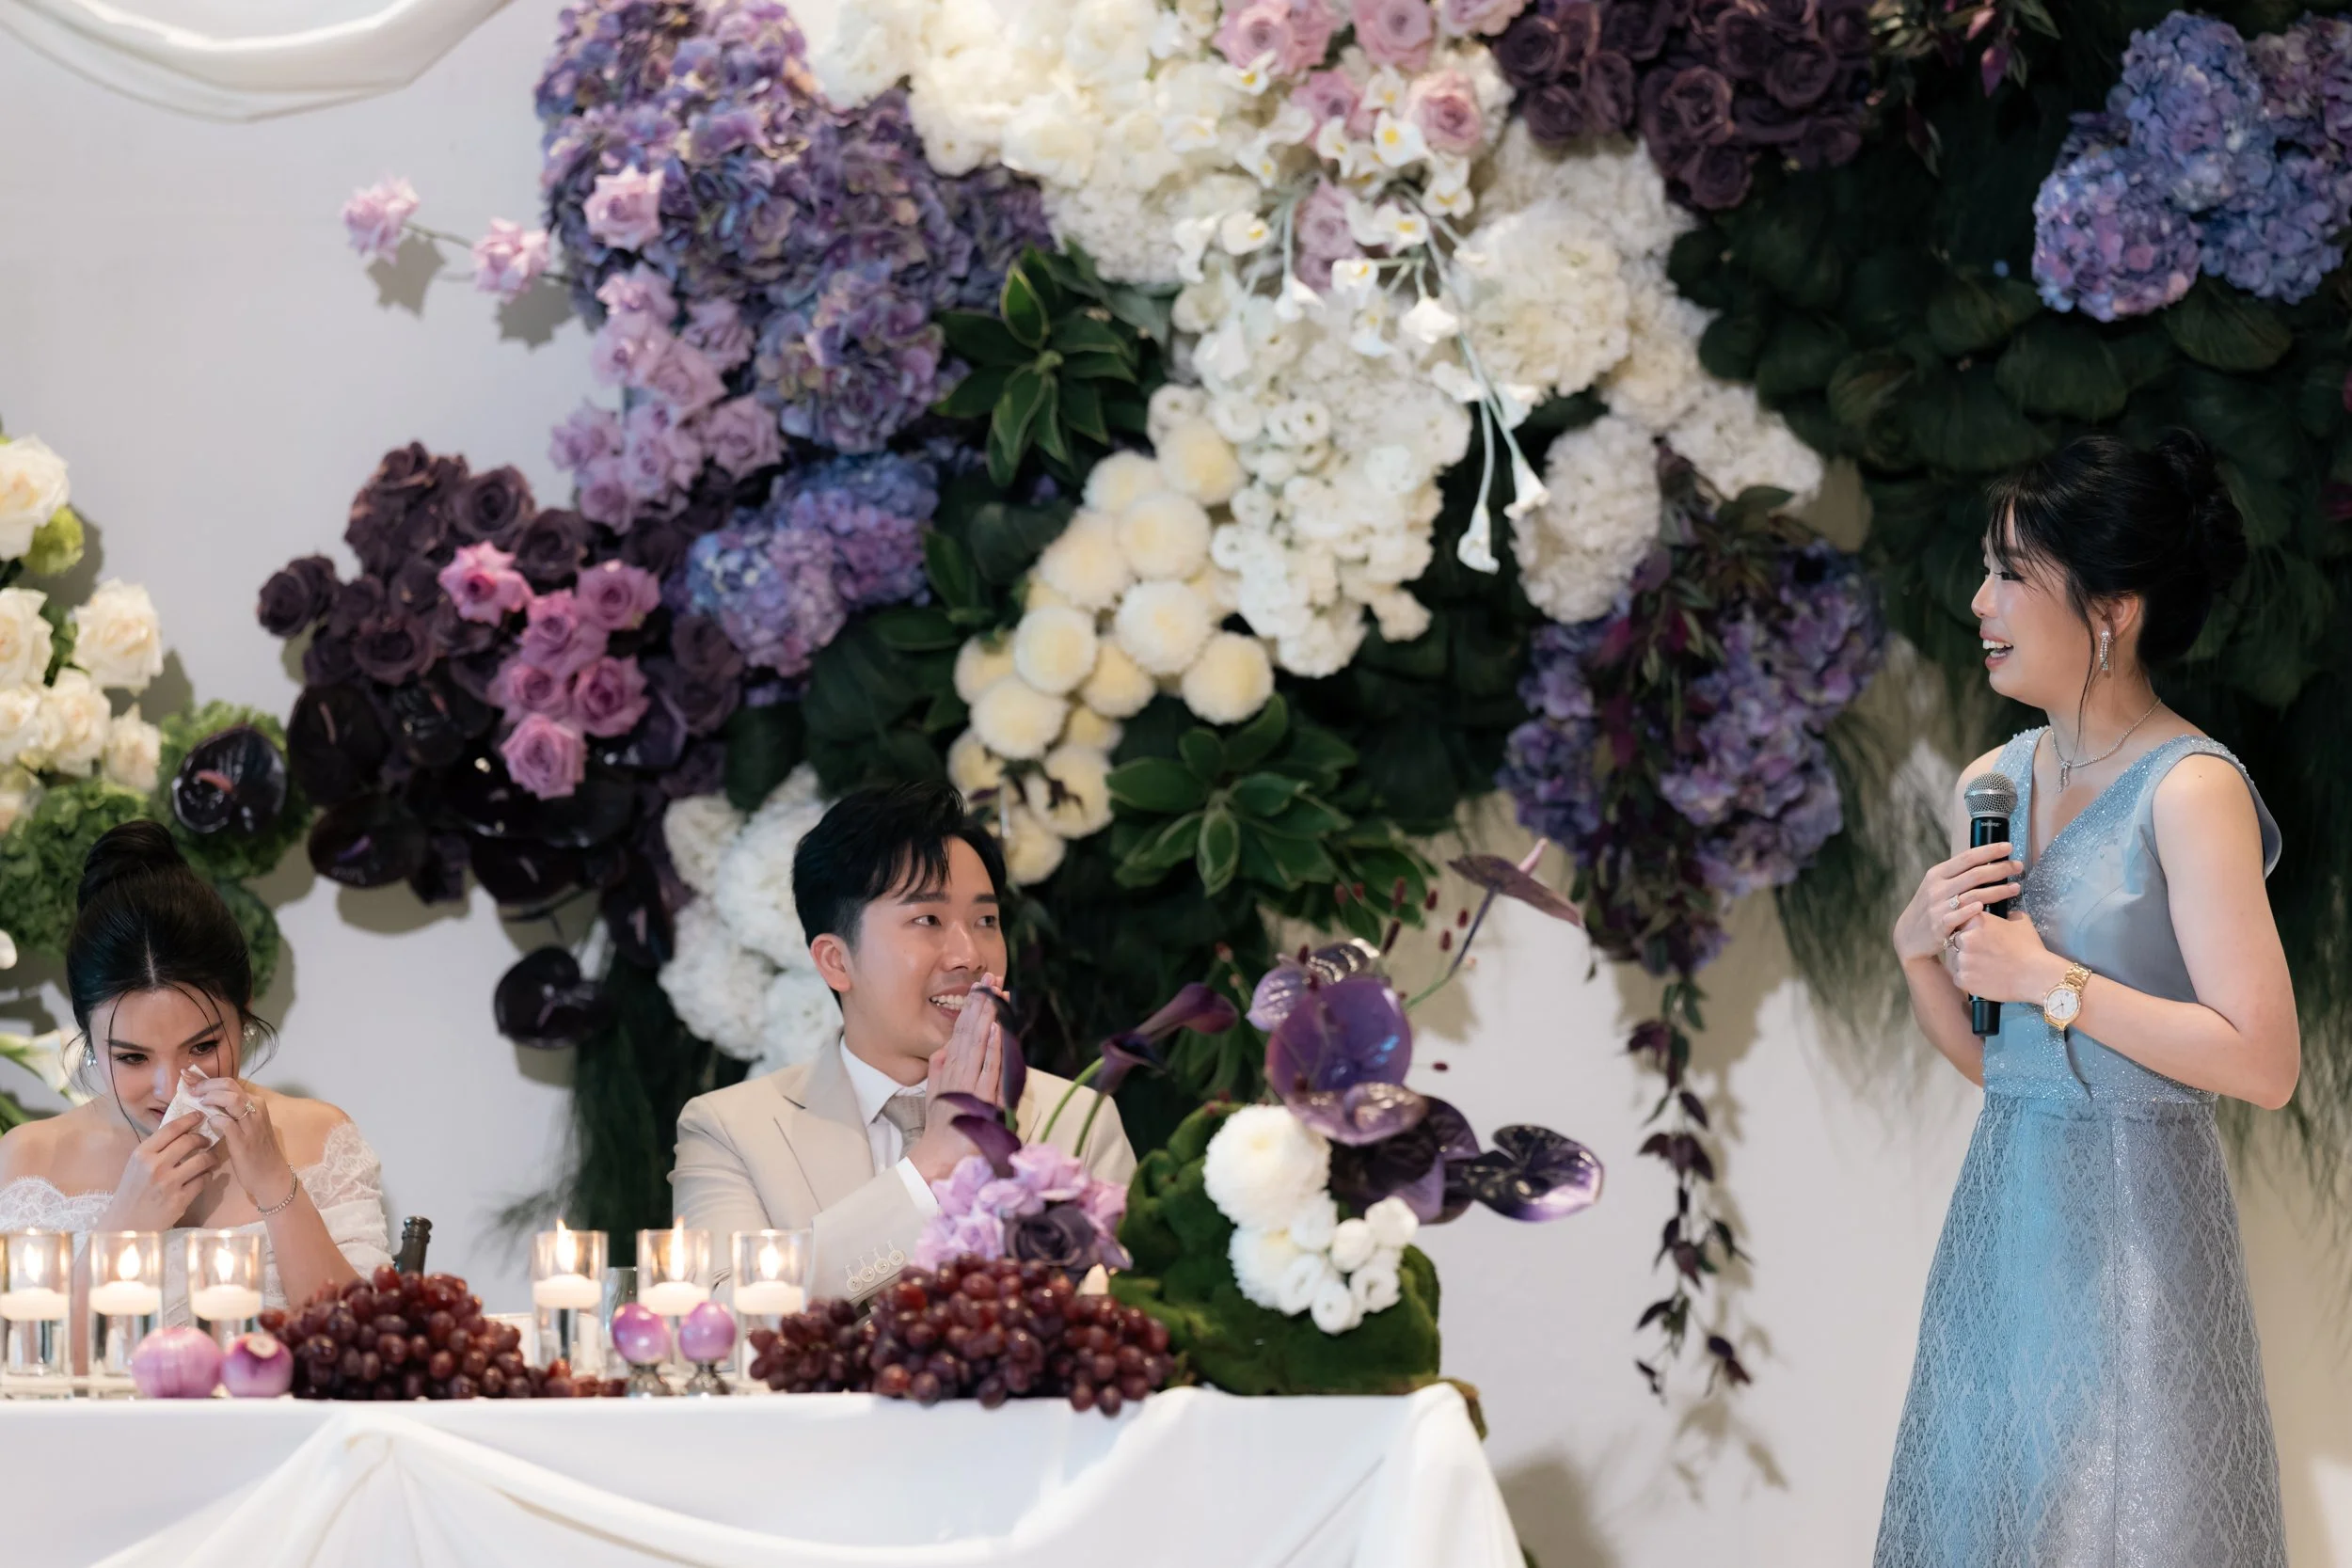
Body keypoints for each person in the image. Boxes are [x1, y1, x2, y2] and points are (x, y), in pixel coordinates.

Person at [1875, 431, 2296, 1565]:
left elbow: (2262, 1060)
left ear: (2111, 610)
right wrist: (1917, 952)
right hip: (2003, 1224)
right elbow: (2001, 1068)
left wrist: (2045, 977)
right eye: (1986, 569)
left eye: (2012, 573)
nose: (1980, 602)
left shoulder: (2190, 788)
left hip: (2137, 1233)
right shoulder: (1991, 781)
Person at [672, 782, 1134, 1303]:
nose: (969, 955)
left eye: (986, 920)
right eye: (927, 920)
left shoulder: (1078, 1121)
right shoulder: (731, 1130)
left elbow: (1127, 1316)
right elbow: (723, 1322)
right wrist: (931, 1166)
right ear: (836, 961)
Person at [0, 822, 392, 1323]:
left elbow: (363, 1338)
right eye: (133, 1058)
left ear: (245, 1008)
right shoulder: (31, 1160)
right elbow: (24, 1360)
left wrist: (276, 1185)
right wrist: (124, 1228)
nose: (172, 1087)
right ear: (88, 1036)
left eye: (203, 1046)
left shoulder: (320, 1138)